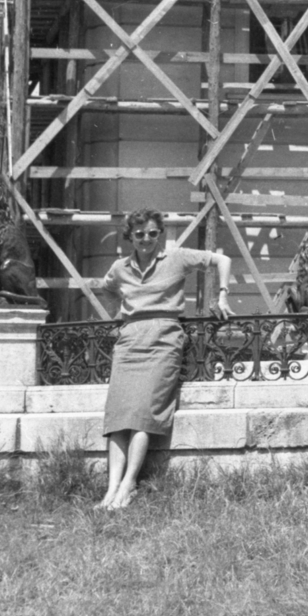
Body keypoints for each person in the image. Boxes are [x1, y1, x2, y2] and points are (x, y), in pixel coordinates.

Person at [96, 209, 233, 509]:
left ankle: (129, 483)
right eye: (140, 234)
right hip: (129, 340)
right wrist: (115, 316)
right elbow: (105, 290)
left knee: (145, 412)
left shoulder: (177, 258)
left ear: (161, 234)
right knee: (118, 415)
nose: (146, 240)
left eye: (153, 233)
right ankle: (110, 489)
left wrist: (221, 296)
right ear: (130, 236)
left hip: (164, 339)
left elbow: (222, 260)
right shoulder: (120, 268)